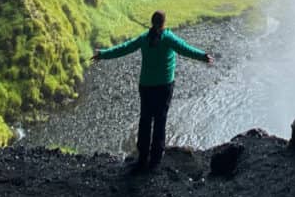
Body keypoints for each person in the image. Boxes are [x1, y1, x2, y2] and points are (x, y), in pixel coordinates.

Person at [92, 10, 214, 171]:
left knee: (145, 120)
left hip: (146, 86)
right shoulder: (168, 38)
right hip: (164, 86)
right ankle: (155, 159)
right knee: (160, 120)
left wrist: (103, 54)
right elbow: (186, 49)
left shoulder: (144, 38)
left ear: (152, 22)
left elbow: (124, 48)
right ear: (164, 22)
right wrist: (204, 56)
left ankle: (142, 157)